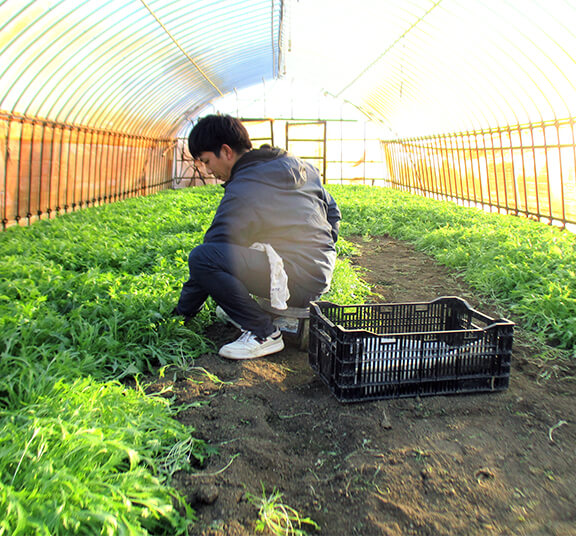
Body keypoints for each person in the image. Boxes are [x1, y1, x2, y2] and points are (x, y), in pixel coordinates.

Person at [173, 115, 341, 360]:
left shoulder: (245, 184)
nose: (209, 170)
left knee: (203, 257)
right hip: (319, 273)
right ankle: (254, 312)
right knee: (238, 247)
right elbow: (333, 213)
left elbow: (211, 251)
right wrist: (320, 252)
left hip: (296, 277)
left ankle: (263, 332)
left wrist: (182, 313)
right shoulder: (301, 165)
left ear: (226, 151)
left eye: (207, 161)